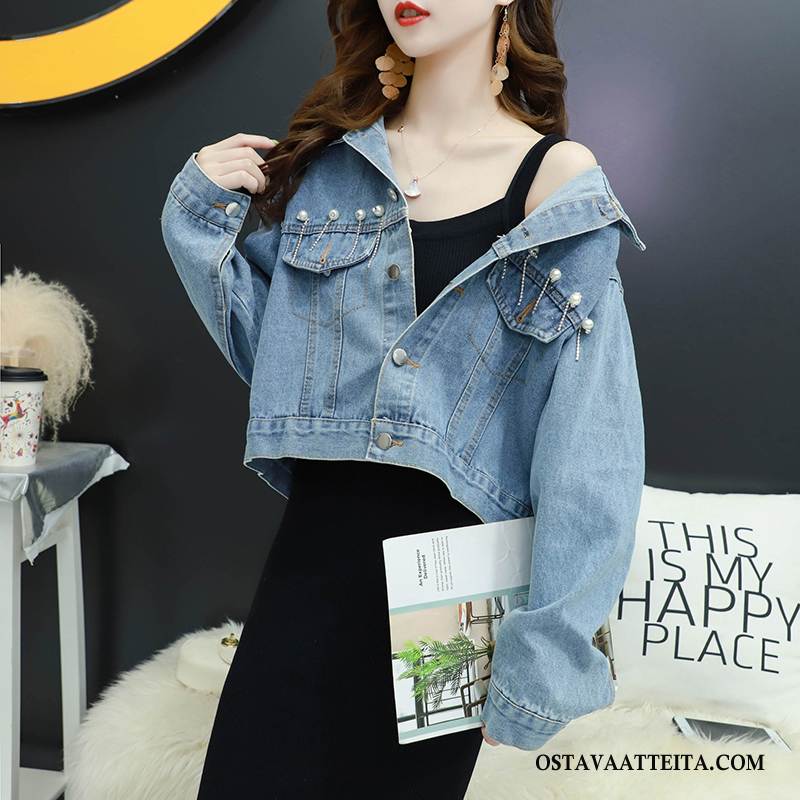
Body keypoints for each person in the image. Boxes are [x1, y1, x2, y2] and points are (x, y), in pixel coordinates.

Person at [160, 1, 648, 797]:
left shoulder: (557, 183)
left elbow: (593, 450)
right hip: (308, 573)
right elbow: (278, 372)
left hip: (448, 607)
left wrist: (544, 657)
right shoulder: (335, 167)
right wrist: (196, 221)